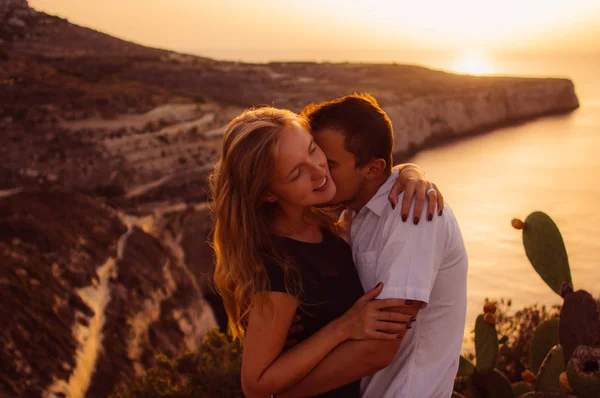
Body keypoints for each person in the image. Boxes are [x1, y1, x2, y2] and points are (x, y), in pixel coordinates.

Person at [209, 106, 442, 398]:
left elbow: (369, 177)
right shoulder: (280, 264)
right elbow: (255, 384)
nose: (318, 170)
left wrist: (410, 172)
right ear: (268, 193)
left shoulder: (323, 224)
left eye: (313, 149)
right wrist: (342, 328)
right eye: (296, 173)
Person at [278, 94, 468, 398]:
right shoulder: (355, 216)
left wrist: (281, 392)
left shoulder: (412, 215)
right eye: (313, 158)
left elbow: (379, 348)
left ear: (371, 169)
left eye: (330, 164)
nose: (318, 173)